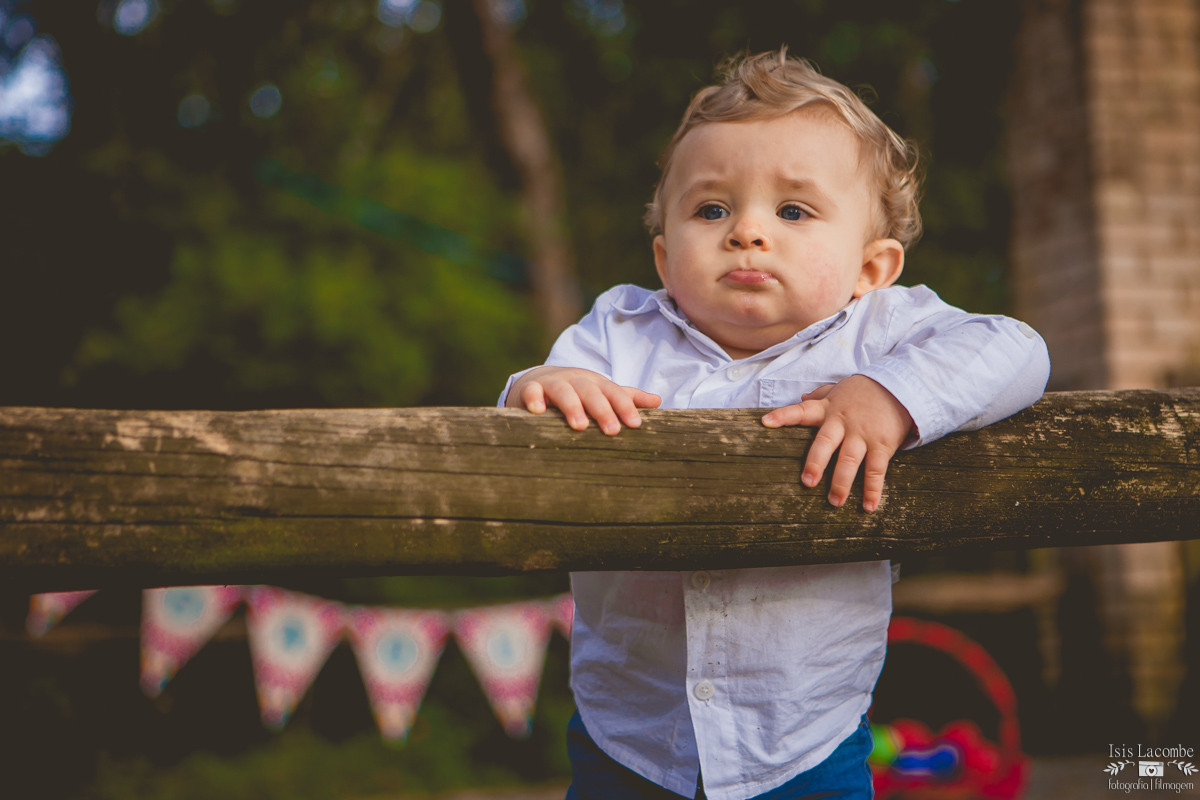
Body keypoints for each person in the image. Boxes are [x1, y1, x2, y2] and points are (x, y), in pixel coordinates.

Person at [499, 49, 1050, 800]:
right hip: (629, 737)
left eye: (793, 211)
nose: (748, 231)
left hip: (804, 737)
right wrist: (542, 384)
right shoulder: (619, 332)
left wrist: (891, 394)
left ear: (871, 268)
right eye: (711, 209)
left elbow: (1020, 351)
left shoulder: (881, 333)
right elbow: (521, 421)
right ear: (665, 258)